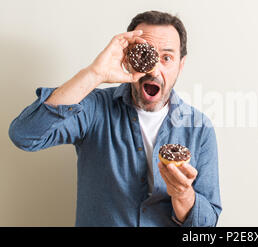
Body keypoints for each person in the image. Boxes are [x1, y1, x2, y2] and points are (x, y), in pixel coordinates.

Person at [8, 10, 221, 227]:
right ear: (128, 57)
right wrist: (95, 73)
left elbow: (207, 225)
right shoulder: (94, 109)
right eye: (145, 55)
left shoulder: (199, 128)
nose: (154, 69)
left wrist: (183, 195)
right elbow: (25, 135)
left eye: (166, 58)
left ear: (181, 65)